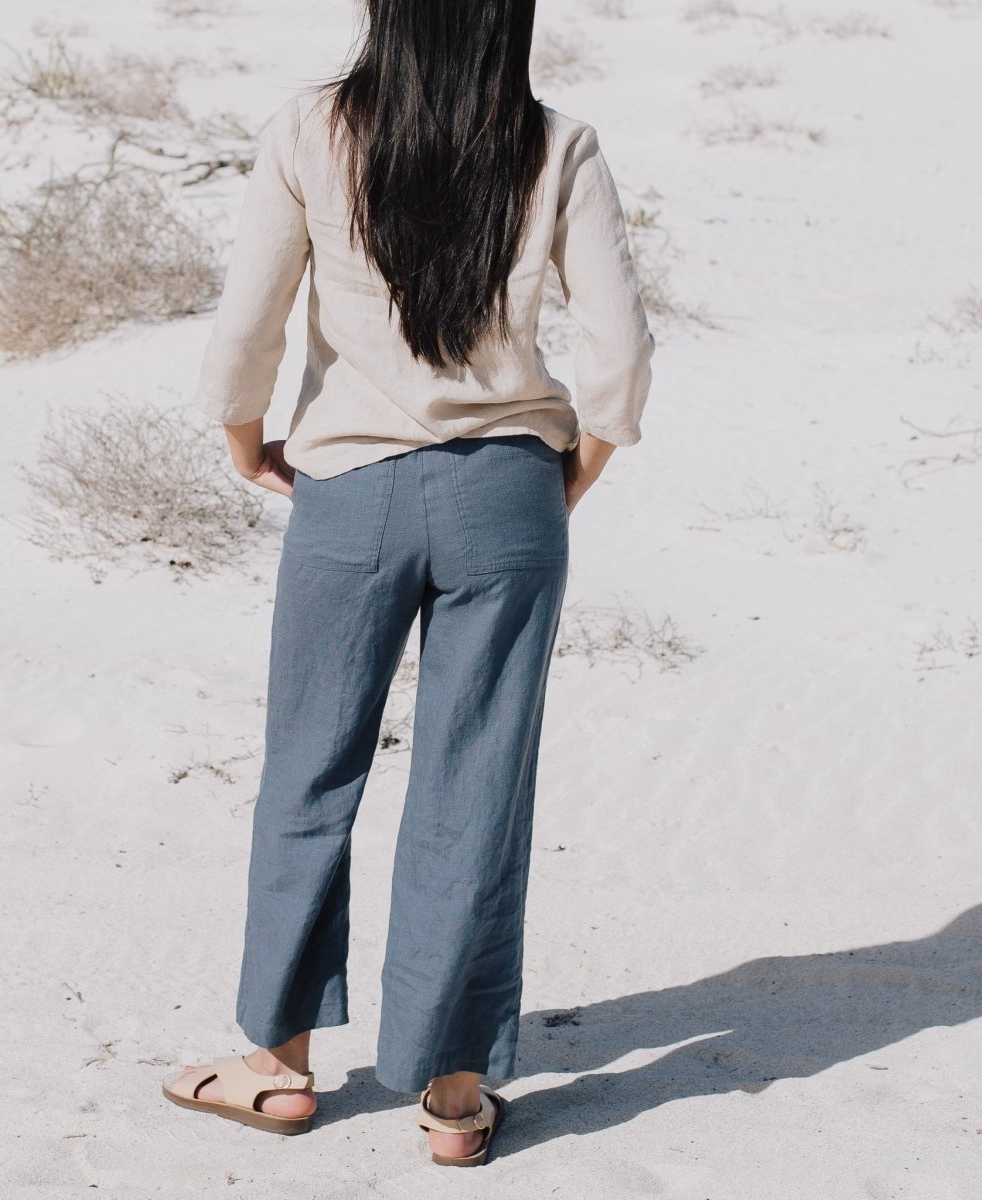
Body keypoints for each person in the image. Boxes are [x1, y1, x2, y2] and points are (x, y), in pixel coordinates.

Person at [162, 0, 654, 1168]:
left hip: (352, 489)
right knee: (475, 784)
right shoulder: (557, 143)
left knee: (310, 766)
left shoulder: (310, 130)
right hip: (509, 494)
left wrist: (243, 437)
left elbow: (250, 321)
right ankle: (454, 1093)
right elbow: (622, 349)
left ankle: (279, 1066)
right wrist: (572, 475)